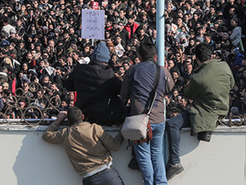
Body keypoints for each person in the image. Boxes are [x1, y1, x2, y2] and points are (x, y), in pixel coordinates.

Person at [165, 43, 235, 180]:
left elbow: (188, 94)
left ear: (196, 58)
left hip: (204, 112)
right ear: (212, 55)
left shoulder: (197, 78)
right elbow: (231, 84)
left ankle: (174, 162)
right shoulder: (224, 66)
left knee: (172, 124)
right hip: (223, 110)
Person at [121, 42, 174, 185]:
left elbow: (124, 93)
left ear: (139, 56)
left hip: (140, 121)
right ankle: (162, 183)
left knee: (144, 156)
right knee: (157, 153)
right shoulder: (162, 71)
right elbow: (170, 88)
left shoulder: (133, 70)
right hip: (159, 119)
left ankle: (149, 183)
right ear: (155, 56)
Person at [41, 107, 126, 185]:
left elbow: (46, 135)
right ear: (82, 116)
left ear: (69, 121)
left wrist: (58, 120)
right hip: (108, 174)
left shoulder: (65, 134)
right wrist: (122, 131)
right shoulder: (94, 128)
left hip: (90, 178)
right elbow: (115, 146)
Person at [65, 41, 125, 125]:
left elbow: (68, 86)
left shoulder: (79, 69)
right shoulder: (108, 74)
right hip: (101, 117)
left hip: (82, 116)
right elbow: (121, 90)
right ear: (106, 60)